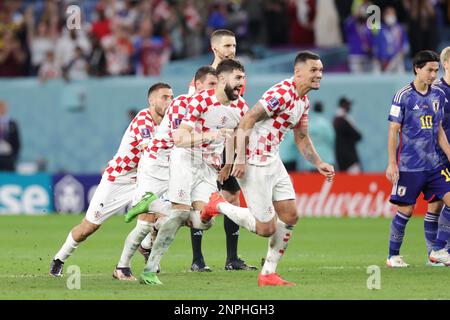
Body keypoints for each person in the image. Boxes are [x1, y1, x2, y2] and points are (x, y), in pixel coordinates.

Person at [201, 51, 335, 286]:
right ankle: (217, 204)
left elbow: (302, 137)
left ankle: (267, 274)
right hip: (254, 162)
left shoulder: (303, 101)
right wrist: (239, 159)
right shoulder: (281, 93)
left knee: (290, 215)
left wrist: (318, 163)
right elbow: (248, 119)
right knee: (265, 229)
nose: (319, 75)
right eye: (314, 70)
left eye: (321, 70)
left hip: (272, 160)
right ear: (298, 72)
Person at [137, 59, 249, 285]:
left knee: (205, 222)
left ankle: (155, 206)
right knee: (180, 214)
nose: (242, 83)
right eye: (238, 78)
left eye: (243, 78)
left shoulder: (241, 107)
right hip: (184, 158)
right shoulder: (196, 102)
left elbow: (239, 134)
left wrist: (234, 163)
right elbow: (179, 139)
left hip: (208, 166)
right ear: (221, 80)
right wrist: (210, 136)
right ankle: (150, 270)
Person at [49, 83, 173, 278]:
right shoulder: (143, 119)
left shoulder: (169, 123)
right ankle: (59, 258)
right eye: (164, 97)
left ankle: (134, 257)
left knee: (160, 215)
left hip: (144, 179)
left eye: (171, 97)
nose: (169, 101)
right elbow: (149, 150)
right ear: (151, 100)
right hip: (119, 178)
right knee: (88, 227)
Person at [114, 66, 220, 278]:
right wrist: (211, 136)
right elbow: (179, 139)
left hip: (178, 166)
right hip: (157, 164)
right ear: (197, 85)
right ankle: (122, 266)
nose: (214, 89)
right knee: (146, 223)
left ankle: (150, 237)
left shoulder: (212, 109)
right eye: (211, 84)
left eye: (217, 85)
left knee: (191, 219)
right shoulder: (182, 104)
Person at [188, 29, 254, 272]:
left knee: (233, 198)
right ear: (215, 48)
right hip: (201, 147)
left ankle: (232, 259)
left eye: (234, 45)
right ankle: (197, 259)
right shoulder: (203, 78)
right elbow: (190, 114)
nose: (232, 50)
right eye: (227, 46)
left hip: (226, 144)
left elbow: (238, 117)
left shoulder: (236, 76)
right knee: (200, 201)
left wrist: (235, 156)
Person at [385, 50, 450, 268]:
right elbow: (394, 130)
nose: (433, 75)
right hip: (410, 166)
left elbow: (439, 129)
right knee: (406, 211)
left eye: (436, 70)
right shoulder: (403, 95)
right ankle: (393, 256)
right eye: (430, 70)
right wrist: (392, 162)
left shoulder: (438, 95)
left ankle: (439, 250)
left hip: (435, 165)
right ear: (417, 69)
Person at [373, 6, 409, 73]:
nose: (390, 16)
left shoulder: (400, 29)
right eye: (388, 14)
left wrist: (402, 53)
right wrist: (378, 59)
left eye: (392, 14)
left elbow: (405, 45)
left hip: (397, 61)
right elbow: (376, 45)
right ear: (384, 16)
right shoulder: (380, 30)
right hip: (384, 61)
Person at [302, 101, 335, 171]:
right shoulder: (326, 124)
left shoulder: (308, 124)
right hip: (326, 159)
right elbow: (332, 139)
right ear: (322, 109)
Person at [333, 96, 362, 173]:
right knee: (356, 181)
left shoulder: (335, 119)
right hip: (349, 158)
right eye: (348, 104)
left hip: (340, 157)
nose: (350, 107)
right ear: (343, 105)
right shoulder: (344, 119)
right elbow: (358, 136)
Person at [0, 101, 20, 171]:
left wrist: (14, 157)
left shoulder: (12, 123)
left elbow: (17, 142)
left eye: (2, 108)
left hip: (8, 157)